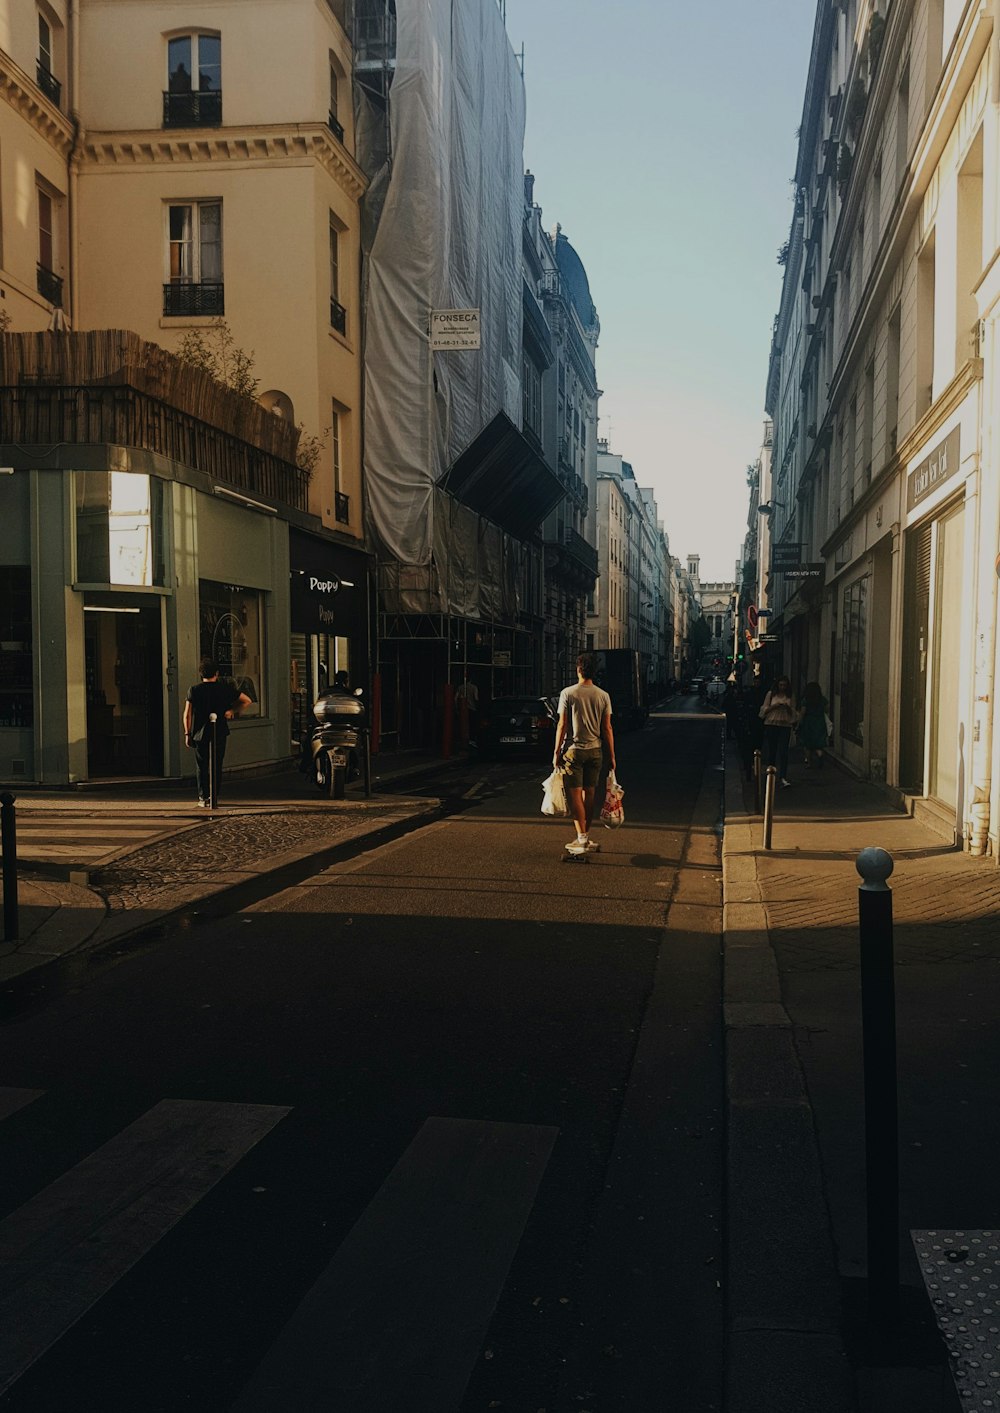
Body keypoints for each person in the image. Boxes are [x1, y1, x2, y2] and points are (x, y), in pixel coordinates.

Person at [553, 651, 616, 855]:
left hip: (574, 751)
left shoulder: (568, 693)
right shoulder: (603, 695)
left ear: (578, 669)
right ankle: (585, 836)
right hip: (595, 751)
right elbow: (607, 728)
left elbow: (562, 724)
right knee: (589, 794)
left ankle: (581, 839)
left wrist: (556, 751)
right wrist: (612, 756)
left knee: (575, 798)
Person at [182, 657, 251, 807]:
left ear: (201, 674)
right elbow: (247, 700)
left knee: (202, 765)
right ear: (217, 673)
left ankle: (203, 797)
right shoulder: (224, 689)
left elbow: (187, 714)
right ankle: (215, 795)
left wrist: (187, 733)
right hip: (219, 731)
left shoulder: (194, 690)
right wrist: (232, 711)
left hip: (200, 733)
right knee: (217, 764)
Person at [758, 674, 797, 787]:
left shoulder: (790, 696)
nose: (782, 687)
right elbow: (764, 709)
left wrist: (787, 708)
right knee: (772, 749)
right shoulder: (771, 695)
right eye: (780, 685)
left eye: (784, 685)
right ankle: (771, 772)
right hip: (772, 723)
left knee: (784, 751)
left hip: (785, 724)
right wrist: (774, 707)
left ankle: (783, 776)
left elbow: (793, 711)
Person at [797, 681, 829, 768]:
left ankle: (809, 763)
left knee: (807, 744)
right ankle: (820, 754)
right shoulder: (822, 699)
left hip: (809, 722)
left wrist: (799, 723)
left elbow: (803, 712)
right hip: (820, 721)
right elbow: (826, 709)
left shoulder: (806, 700)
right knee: (819, 742)